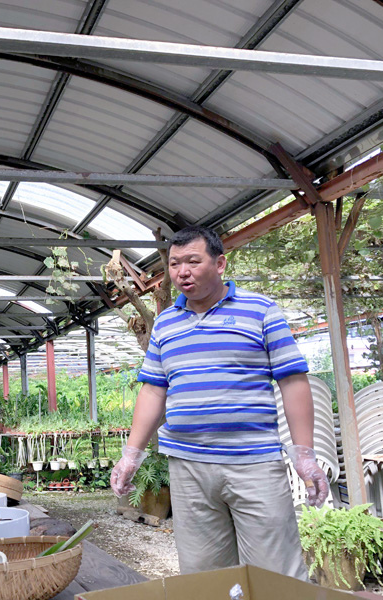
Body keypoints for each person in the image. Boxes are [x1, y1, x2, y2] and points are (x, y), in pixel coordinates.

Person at [110, 224, 329, 580]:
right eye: (175, 264)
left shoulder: (260, 311)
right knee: (204, 574)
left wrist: (303, 455)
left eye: (193, 261)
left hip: (254, 463)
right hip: (188, 465)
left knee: (276, 572)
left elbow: (293, 381)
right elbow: (153, 390)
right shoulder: (165, 324)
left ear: (220, 264)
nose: (183, 272)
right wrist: (131, 455)